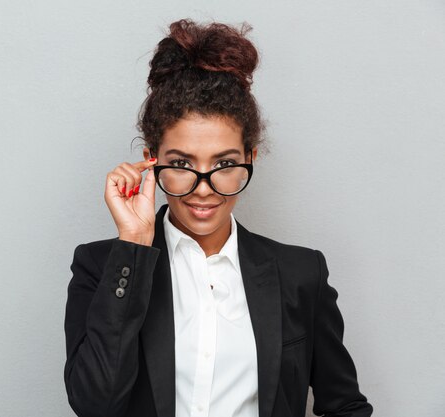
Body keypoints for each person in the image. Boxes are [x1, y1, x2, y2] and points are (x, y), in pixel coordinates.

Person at [63, 18, 373, 417]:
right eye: (181, 163)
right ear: (150, 162)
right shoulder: (102, 266)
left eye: (225, 163)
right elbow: (95, 404)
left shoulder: (300, 274)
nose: (204, 187)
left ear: (250, 159)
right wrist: (134, 246)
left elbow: (344, 404)